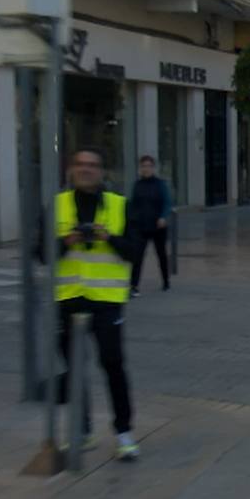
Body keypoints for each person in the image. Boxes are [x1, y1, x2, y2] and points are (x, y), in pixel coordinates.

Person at [50, 148, 140, 460]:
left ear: (102, 171)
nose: (86, 170)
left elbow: (134, 251)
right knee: (74, 368)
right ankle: (83, 429)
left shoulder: (119, 205)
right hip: (69, 299)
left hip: (107, 301)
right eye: (80, 165)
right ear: (71, 169)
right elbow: (41, 253)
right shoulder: (57, 205)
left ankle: (124, 433)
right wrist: (66, 242)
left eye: (93, 165)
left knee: (113, 364)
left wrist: (108, 237)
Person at [128, 154, 173, 296]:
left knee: (161, 254)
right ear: (140, 168)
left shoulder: (160, 184)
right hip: (141, 226)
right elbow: (133, 204)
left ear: (153, 168)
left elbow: (167, 202)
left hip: (158, 226)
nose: (146, 169)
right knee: (137, 256)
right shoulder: (137, 185)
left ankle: (166, 281)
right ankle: (134, 285)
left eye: (148, 166)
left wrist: (163, 217)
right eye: (143, 166)